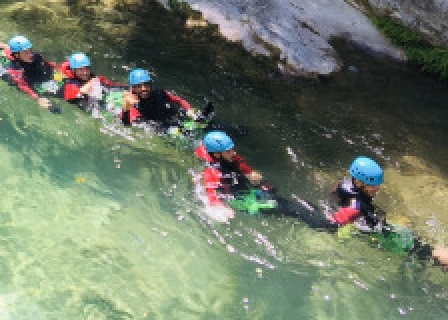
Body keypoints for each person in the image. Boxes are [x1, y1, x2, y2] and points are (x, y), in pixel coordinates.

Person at [195, 131, 332, 227]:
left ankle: (316, 217)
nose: (234, 152)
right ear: (216, 155)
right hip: (243, 201)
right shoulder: (212, 172)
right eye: (229, 151)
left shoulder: (230, 157)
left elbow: (243, 167)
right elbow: (211, 194)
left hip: (247, 191)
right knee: (293, 210)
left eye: (232, 149)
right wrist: (220, 209)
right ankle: (326, 225)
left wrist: (250, 173)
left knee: (293, 206)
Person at [330, 157, 448, 266]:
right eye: (373, 185)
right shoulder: (355, 207)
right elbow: (335, 221)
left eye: (378, 184)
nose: (378, 188)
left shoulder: (344, 185)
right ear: (358, 182)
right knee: (422, 249)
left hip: (367, 224)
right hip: (375, 234)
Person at [0, 35, 60, 109]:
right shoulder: (14, 68)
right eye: (26, 52)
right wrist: (38, 98)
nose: (31, 54)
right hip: (22, 80)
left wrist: (57, 69)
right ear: (17, 55)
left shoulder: (35, 56)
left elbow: (48, 65)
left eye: (30, 50)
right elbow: (22, 85)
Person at [120, 69, 195, 127]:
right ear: (133, 88)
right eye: (139, 86)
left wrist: (189, 110)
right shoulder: (134, 105)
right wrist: (126, 107)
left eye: (146, 84)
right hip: (156, 125)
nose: (144, 89)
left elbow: (180, 100)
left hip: (169, 117)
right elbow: (126, 124)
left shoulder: (160, 93)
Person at [57, 52, 124, 110]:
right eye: (81, 69)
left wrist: (127, 88)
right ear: (73, 70)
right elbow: (74, 97)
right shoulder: (70, 83)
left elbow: (111, 86)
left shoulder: (92, 78)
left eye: (87, 68)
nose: (85, 72)